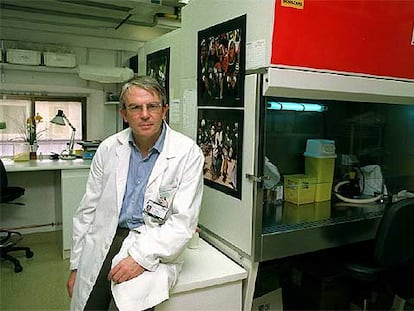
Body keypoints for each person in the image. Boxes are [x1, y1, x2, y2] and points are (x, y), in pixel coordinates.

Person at [66, 76, 204, 311]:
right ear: (124, 114)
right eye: (135, 107)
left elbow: (183, 222)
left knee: (127, 305)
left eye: (152, 106)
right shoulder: (109, 149)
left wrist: (140, 258)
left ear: (164, 110)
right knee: (89, 303)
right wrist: (76, 266)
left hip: (153, 240)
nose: (145, 114)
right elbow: (87, 211)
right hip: (106, 235)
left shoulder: (187, 153)